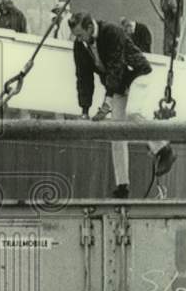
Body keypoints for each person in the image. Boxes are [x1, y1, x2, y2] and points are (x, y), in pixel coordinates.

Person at [69, 11, 176, 198]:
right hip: (118, 85)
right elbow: (83, 77)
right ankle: (122, 186)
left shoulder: (112, 32)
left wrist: (107, 102)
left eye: (80, 35)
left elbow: (116, 66)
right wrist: (84, 110)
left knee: (133, 113)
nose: (78, 39)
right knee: (115, 132)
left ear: (89, 27)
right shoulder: (80, 45)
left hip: (137, 74)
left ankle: (164, 149)